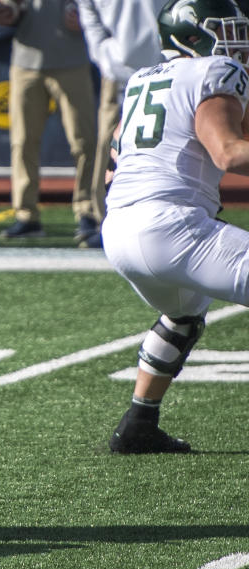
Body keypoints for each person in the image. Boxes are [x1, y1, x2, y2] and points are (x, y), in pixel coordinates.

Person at [103, 0, 249, 453]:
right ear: (190, 34)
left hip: (120, 230)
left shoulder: (142, 81)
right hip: (172, 226)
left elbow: (112, 167)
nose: (237, 39)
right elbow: (228, 152)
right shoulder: (216, 70)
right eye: (227, 29)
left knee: (184, 314)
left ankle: (138, 425)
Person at [0, 0, 97, 240]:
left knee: (84, 142)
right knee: (22, 142)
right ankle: (26, 215)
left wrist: (88, 19)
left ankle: (88, 211)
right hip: (26, 62)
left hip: (72, 60)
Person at [75, 0, 163, 248]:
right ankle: (105, 222)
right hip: (117, 73)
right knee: (108, 145)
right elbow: (88, 13)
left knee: (173, 144)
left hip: (168, 66)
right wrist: (104, 57)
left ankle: (166, 219)